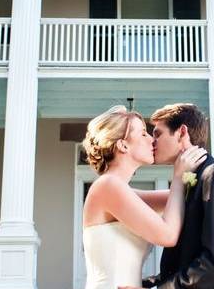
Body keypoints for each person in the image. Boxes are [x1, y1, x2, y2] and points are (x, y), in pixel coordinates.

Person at [135, 103, 214, 289]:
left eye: (158, 133)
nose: (153, 141)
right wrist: (147, 283)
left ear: (182, 132)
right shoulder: (190, 180)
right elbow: (188, 257)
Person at [82, 105, 207, 289]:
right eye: (143, 134)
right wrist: (179, 177)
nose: (152, 140)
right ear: (123, 145)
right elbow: (168, 235)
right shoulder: (107, 186)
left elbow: (191, 196)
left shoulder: (123, 191)